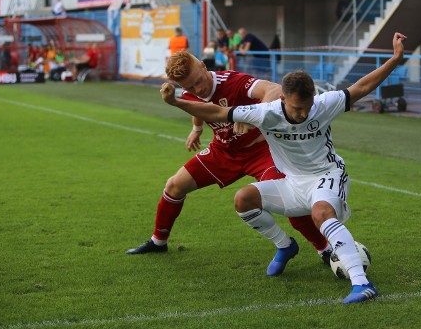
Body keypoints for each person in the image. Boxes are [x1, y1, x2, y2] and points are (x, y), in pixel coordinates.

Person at [159, 32, 407, 304]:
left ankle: (362, 284)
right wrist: (175, 103)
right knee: (243, 199)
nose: (303, 114)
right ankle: (285, 245)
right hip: (293, 182)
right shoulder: (267, 113)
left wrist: (394, 60)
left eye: (307, 106)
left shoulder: (323, 104)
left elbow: (362, 87)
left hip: (327, 175)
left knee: (321, 213)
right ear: (284, 101)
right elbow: (216, 113)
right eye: (297, 108)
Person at [127, 50, 331, 264]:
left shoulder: (234, 81)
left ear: (204, 67)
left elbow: (274, 89)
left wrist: (254, 115)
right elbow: (199, 105)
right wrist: (197, 129)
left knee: (287, 198)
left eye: (198, 81)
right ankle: (158, 242)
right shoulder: (190, 93)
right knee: (174, 186)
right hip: (223, 152)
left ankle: (325, 249)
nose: (198, 89)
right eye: (190, 87)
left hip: (261, 152)